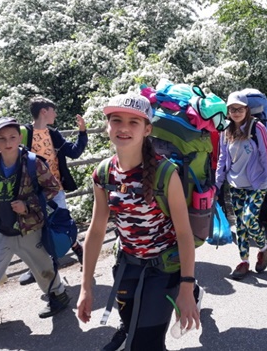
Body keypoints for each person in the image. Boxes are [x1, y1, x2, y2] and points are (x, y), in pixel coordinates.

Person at [76, 94, 200, 351]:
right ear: (107, 126)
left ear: (147, 129)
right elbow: (96, 231)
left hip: (163, 270)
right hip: (127, 267)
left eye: (134, 122)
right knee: (132, 327)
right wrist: (86, 287)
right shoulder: (103, 173)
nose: (124, 127)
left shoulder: (166, 173)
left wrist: (186, 287)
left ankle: (192, 292)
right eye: (116, 120)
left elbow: (184, 233)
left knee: (146, 344)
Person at [0, 117, 70, 343]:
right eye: (2, 138)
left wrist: (27, 204)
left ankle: (58, 296)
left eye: (12, 137)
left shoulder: (33, 163)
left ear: (19, 137)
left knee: (43, 267)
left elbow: (52, 188)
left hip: (29, 228)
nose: (8, 142)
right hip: (1, 229)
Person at [19, 96, 88, 285]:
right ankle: (41, 268)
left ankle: (75, 250)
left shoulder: (53, 133)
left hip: (55, 188)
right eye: (53, 110)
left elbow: (74, 152)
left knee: (61, 225)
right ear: (44, 111)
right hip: (33, 192)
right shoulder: (24, 133)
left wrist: (82, 132)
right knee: (36, 229)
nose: (55, 114)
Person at [215, 91, 267, 280]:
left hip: (257, 184)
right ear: (228, 111)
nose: (236, 112)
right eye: (232, 109)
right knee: (240, 225)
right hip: (235, 184)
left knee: (248, 218)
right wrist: (216, 186)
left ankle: (263, 246)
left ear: (247, 109)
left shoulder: (257, 128)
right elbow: (222, 159)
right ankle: (244, 261)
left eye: (240, 109)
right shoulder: (226, 130)